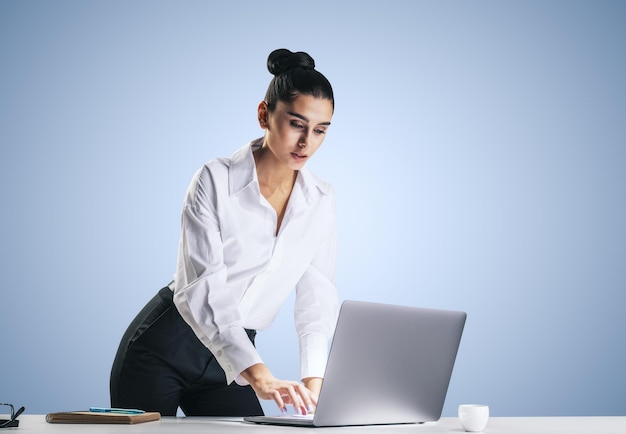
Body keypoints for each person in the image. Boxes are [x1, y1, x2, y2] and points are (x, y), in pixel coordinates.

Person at [110, 48, 339, 417]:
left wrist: (315, 387)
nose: (306, 142)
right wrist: (262, 377)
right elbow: (202, 287)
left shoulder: (321, 200)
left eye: (320, 130)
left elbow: (316, 302)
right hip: (164, 348)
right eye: (297, 124)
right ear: (264, 114)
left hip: (232, 362)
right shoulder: (214, 179)